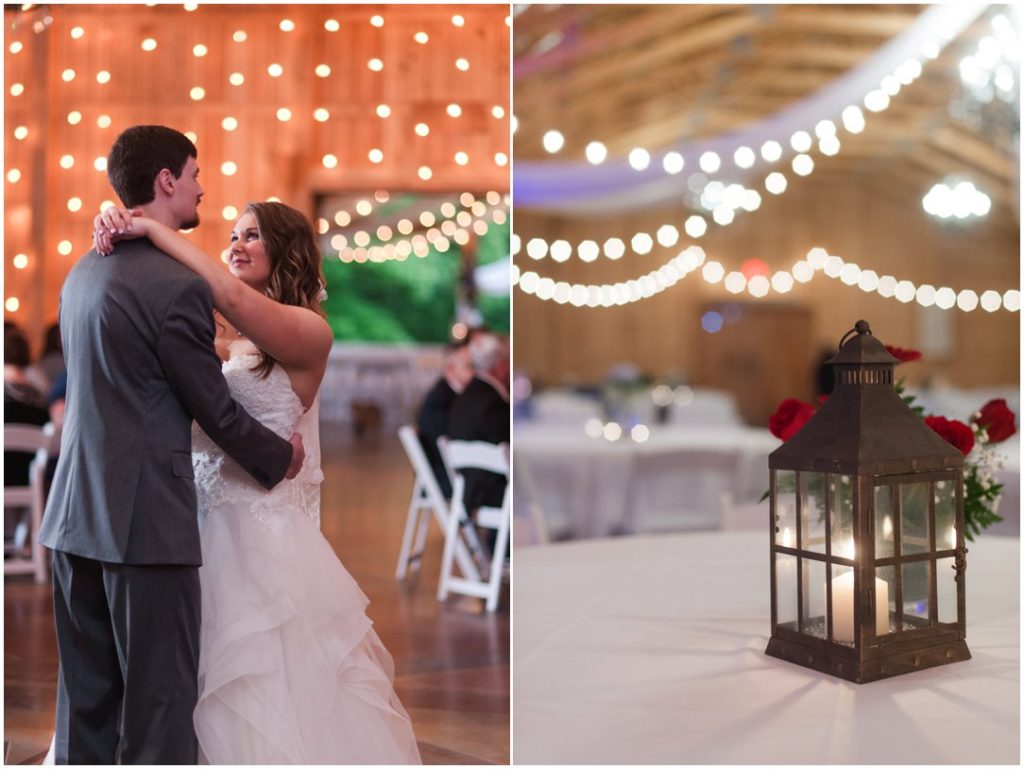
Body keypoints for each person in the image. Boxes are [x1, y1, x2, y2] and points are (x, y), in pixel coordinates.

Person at [93, 196, 421, 763]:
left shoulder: (308, 332)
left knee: (255, 679)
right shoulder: (234, 340)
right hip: (195, 518)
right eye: (234, 236)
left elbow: (225, 292)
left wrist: (144, 224)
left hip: (257, 534)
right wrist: (109, 215)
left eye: (252, 236)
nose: (236, 245)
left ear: (287, 252)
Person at [38, 125, 306, 765]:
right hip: (144, 526)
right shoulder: (176, 287)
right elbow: (213, 410)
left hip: (72, 517)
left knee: (85, 710)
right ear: (166, 182)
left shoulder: (81, 273)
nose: (201, 187)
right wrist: (280, 457)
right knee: (159, 713)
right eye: (194, 174)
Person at [447, 332, 511, 512]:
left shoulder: (467, 395)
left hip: (471, 489)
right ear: (500, 366)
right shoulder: (491, 402)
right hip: (488, 494)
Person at [416, 342, 473, 498]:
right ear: (450, 369)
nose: (475, 373)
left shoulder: (452, 395)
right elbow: (455, 443)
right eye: (469, 367)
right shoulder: (441, 400)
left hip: (449, 474)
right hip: (443, 478)